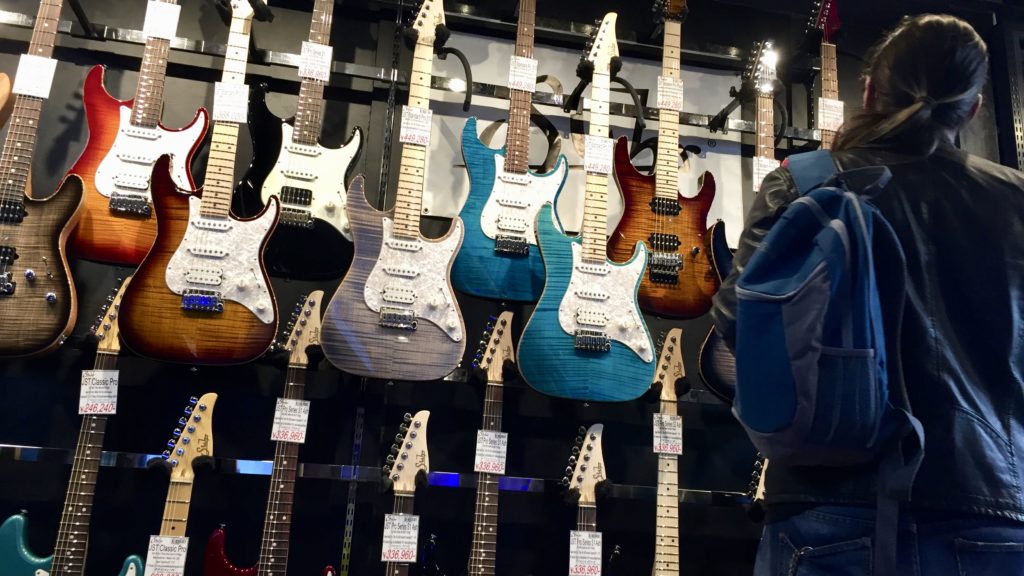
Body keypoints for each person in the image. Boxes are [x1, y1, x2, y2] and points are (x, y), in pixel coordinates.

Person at [711, 13, 1024, 576]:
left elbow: (737, 320)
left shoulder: (807, 179)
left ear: (871, 90)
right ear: (973, 108)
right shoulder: (1017, 201)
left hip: (832, 503)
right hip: (997, 510)